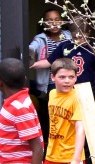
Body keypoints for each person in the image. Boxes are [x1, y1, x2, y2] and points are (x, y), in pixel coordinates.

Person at [48, 15, 95, 164]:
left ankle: (89, 162)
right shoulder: (65, 46)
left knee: (88, 126)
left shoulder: (93, 48)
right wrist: (33, 64)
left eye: (82, 37)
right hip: (68, 94)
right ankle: (69, 158)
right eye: (75, 37)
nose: (78, 40)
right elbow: (50, 61)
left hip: (87, 93)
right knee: (70, 127)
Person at [28, 8, 72, 144]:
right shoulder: (40, 38)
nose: (54, 24)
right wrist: (29, 55)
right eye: (50, 21)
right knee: (51, 115)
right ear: (44, 23)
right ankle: (51, 142)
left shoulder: (69, 36)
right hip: (49, 83)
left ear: (62, 21)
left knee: (67, 113)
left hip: (68, 81)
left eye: (57, 20)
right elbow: (32, 48)